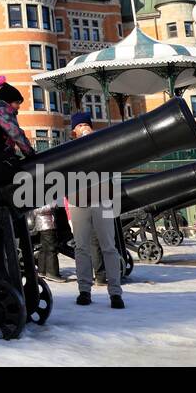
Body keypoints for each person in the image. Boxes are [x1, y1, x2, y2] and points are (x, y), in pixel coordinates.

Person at [67, 110, 124, 309]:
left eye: (85, 125)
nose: (82, 128)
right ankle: (84, 290)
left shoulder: (101, 142)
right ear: (73, 130)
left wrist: (93, 140)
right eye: (79, 126)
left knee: (109, 246)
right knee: (81, 247)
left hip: (103, 199)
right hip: (78, 200)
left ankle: (115, 292)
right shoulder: (70, 148)